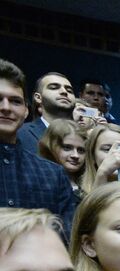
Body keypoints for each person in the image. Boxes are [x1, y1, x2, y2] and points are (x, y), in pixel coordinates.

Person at [0, 61, 77, 227]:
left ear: (26, 110)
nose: (6, 108)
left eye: (15, 101)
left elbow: (66, 237)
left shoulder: (53, 174)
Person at [36, 119, 82, 194]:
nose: (75, 155)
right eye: (67, 148)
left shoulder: (90, 184)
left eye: (81, 150)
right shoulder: (37, 182)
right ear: (50, 147)